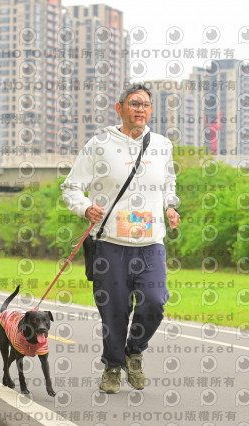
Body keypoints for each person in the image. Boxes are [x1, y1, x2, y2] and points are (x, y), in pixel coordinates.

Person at [61, 83, 180, 394]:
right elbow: (71, 187)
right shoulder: (99, 144)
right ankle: (113, 367)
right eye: (134, 103)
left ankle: (133, 352)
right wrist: (85, 207)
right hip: (110, 243)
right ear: (119, 108)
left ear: (151, 110)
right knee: (114, 311)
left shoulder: (162, 145)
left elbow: (169, 183)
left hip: (151, 243)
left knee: (155, 302)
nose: (140, 109)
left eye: (145, 104)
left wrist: (171, 206)